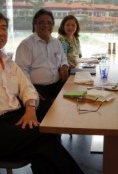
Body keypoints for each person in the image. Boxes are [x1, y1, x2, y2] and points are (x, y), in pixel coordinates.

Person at [0, 12, 84, 174]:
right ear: (34, 25)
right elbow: (31, 84)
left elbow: (26, 87)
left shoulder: (8, 63)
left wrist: (30, 109)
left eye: (3, 28)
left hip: (15, 118)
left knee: (43, 152)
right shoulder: (26, 45)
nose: (1, 33)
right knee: (45, 136)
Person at [15, 9, 69, 121]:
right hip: (37, 87)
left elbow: (63, 58)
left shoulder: (56, 42)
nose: (46, 25)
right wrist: (31, 89)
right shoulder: (26, 45)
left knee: (73, 101)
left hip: (56, 84)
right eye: (41, 22)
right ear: (35, 25)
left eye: (49, 23)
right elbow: (21, 71)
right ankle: (51, 137)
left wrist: (64, 66)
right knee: (48, 113)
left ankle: (66, 128)